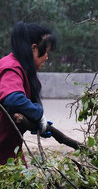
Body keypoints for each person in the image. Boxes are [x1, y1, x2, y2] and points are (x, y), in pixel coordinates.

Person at [0, 22, 57, 163]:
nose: (47, 57)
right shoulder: (11, 67)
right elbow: (13, 100)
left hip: (9, 149)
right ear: (34, 48)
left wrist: (33, 122)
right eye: (46, 52)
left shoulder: (22, 70)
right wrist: (38, 113)